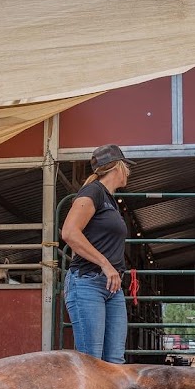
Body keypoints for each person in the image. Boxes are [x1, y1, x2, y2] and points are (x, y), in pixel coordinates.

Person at [61, 144, 133, 364]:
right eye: (126, 167)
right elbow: (69, 232)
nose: (129, 172)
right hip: (87, 282)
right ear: (118, 167)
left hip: (111, 287)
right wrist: (105, 263)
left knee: (114, 361)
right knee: (93, 362)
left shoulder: (110, 200)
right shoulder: (93, 192)